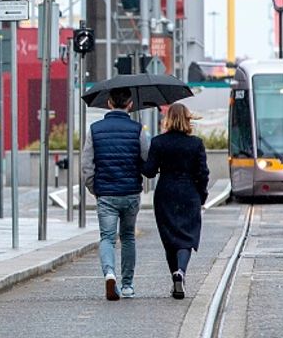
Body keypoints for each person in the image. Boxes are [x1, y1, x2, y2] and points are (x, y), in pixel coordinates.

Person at [81, 87, 148, 301]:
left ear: (109, 103)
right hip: (130, 193)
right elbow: (146, 160)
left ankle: (109, 273)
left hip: (106, 193)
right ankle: (127, 285)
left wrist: (95, 189)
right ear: (130, 104)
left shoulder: (94, 129)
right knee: (128, 237)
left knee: (107, 238)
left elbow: (86, 166)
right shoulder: (137, 129)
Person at [142, 103, 209, 300]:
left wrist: (140, 160)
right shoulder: (196, 143)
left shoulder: (158, 142)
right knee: (186, 237)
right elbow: (203, 173)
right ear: (188, 119)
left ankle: (175, 277)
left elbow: (149, 171)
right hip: (189, 193)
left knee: (170, 237)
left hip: (166, 193)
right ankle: (180, 271)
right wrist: (202, 195)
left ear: (168, 119)